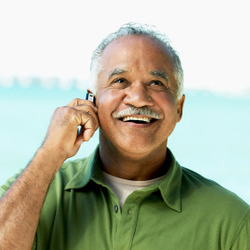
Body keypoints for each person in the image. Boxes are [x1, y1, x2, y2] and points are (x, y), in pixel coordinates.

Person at [0, 23, 249, 250]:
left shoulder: (232, 221)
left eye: (156, 83)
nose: (138, 98)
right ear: (92, 100)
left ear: (179, 108)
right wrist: (49, 154)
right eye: (120, 80)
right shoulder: (32, 195)